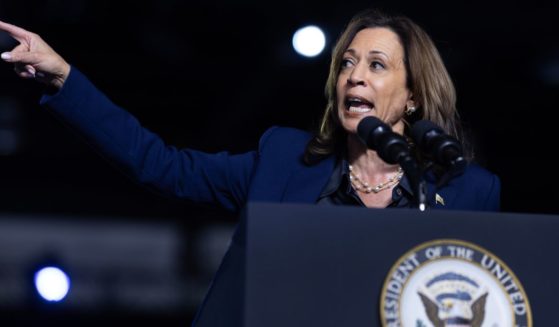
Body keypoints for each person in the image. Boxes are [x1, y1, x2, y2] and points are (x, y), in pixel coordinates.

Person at [0, 8, 500, 326]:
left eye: (376, 65)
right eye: (346, 63)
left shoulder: (465, 190)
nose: (354, 77)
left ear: (411, 97)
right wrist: (63, 78)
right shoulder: (283, 160)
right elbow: (159, 165)